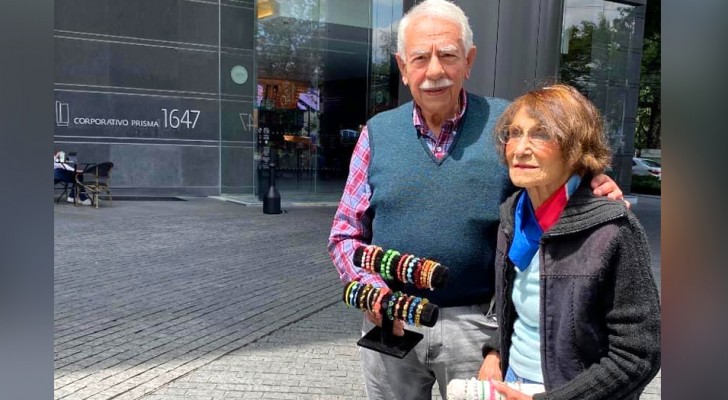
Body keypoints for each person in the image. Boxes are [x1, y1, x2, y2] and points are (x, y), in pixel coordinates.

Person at [327, 1, 624, 399]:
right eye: (420, 58)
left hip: (478, 326)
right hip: (391, 318)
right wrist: (369, 287)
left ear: (469, 60)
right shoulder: (378, 133)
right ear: (402, 66)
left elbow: (556, 183)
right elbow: (345, 234)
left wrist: (592, 185)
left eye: (448, 55)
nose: (434, 71)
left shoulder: (508, 126)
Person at [477, 84, 661, 400]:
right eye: (514, 133)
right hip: (513, 382)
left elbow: (638, 354)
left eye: (541, 134)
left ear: (575, 148)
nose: (520, 148)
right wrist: (495, 351)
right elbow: (519, 307)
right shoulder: (512, 216)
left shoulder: (612, 229)